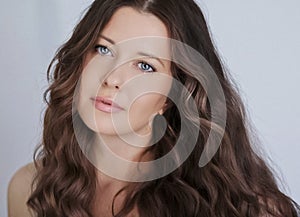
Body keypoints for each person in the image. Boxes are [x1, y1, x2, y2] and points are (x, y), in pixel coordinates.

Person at [7, 0, 300, 216]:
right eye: (103, 49)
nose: (112, 78)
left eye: (145, 66)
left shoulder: (238, 209)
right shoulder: (28, 188)